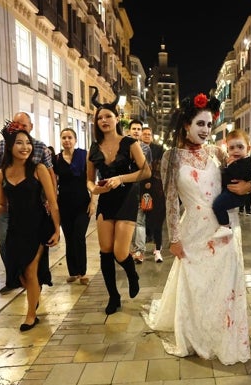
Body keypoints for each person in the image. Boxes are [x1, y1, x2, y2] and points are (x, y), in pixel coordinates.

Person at [143, 92, 251, 365]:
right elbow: (169, 200)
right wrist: (174, 239)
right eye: (200, 124)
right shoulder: (171, 157)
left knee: (224, 285)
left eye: (208, 124)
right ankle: (195, 335)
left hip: (224, 228)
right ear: (186, 125)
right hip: (192, 230)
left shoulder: (217, 152)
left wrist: (250, 187)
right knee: (196, 286)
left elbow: (244, 174)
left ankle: (222, 333)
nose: (205, 130)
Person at [0, 126, 60, 331]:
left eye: (28, 143)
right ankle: (35, 295)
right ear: (9, 146)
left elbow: (53, 203)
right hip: (15, 228)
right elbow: (3, 207)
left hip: (38, 226)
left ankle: (31, 315)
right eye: (19, 143)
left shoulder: (38, 169)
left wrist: (57, 229)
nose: (25, 147)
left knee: (30, 270)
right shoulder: (0, 174)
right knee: (22, 275)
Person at [86, 86, 151, 315]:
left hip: (127, 198)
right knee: (105, 251)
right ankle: (113, 297)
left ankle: (131, 274)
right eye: (100, 117)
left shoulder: (130, 143)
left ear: (116, 119)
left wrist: (120, 178)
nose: (104, 120)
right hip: (106, 201)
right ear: (96, 122)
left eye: (108, 116)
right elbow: (89, 181)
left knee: (120, 252)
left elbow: (146, 172)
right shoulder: (93, 148)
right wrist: (94, 190)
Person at [0, 112, 56, 294]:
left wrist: (52, 200)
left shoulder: (40, 148)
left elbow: (50, 174)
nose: (20, 129)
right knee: (5, 245)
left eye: (24, 126)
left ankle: (33, 294)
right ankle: (15, 276)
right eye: (16, 125)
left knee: (31, 268)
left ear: (30, 127)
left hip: (35, 210)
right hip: (12, 212)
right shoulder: (2, 146)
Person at [54, 128, 92, 285]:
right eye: (64, 137)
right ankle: (73, 272)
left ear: (75, 140)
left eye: (70, 137)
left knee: (79, 236)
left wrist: (93, 201)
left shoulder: (84, 155)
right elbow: (54, 182)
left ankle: (82, 272)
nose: (67, 140)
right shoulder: (56, 159)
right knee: (69, 238)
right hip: (64, 204)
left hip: (83, 203)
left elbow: (91, 178)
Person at [212, 129, 251, 238]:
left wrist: (229, 166)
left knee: (217, 205)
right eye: (232, 148)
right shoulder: (235, 162)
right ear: (227, 149)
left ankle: (225, 227)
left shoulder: (247, 162)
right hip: (231, 192)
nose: (236, 151)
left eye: (240, 147)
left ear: (248, 148)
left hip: (237, 196)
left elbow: (238, 174)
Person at [127, 119, 152, 263]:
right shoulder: (123, 145)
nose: (136, 131)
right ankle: (131, 249)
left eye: (138, 129)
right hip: (126, 189)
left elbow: (147, 169)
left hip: (141, 188)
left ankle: (140, 250)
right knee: (128, 220)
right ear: (129, 130)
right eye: (134, 128)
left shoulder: (145, 148)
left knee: (140, 221)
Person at [140, 125, 165, 263]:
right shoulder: (136, 148)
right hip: (142, 189)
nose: (147, 136)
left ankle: (158, 249)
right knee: (144, 218)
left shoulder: (158, 149)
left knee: (158, 221)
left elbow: (160, 166)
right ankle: (141, 248)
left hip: (157, 190)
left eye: (149, 134)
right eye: (145, 134)